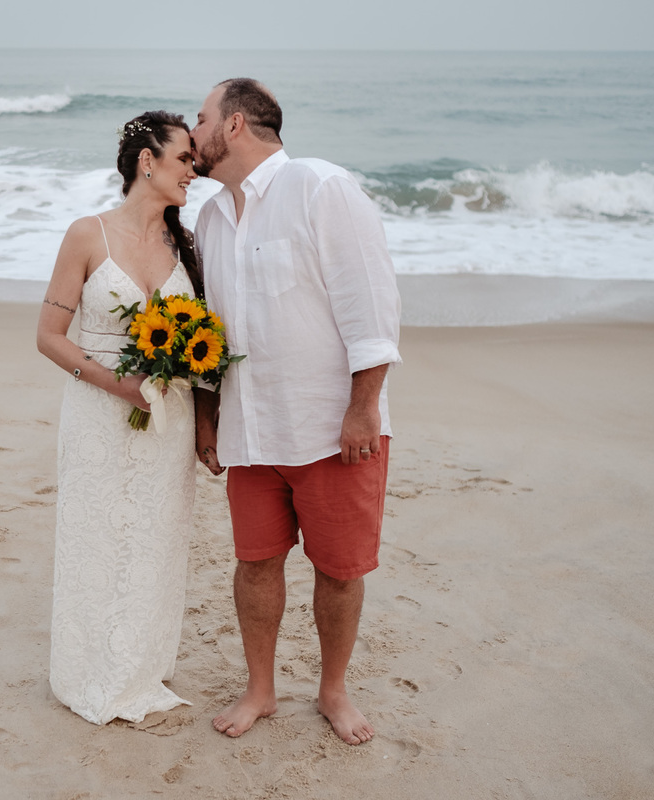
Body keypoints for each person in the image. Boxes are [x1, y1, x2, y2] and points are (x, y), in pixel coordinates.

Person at [190, 78, 402, 745]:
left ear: (234, 125)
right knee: (255, 563)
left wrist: (363, 409)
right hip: (250, 430)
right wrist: (208, 416)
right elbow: (209, 331)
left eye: (200, 118)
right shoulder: (210, 218)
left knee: (339, 570)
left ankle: (333, 691)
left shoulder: (320, 186)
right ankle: (261, 689)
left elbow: (371, 305)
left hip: (332, 429)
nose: (192, 133)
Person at [37, 111, 202, 725]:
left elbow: (206, 342)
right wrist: (121, 387)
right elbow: (50, 337)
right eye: (185, 158)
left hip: (170, 418)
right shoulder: (88, 235)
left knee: (157, 540)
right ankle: (85, 669)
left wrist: (206, 424)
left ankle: (141, 664)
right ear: (147, 161)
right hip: (98, 413)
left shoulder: (187, 245)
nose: (193, 171)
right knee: (95, 537)